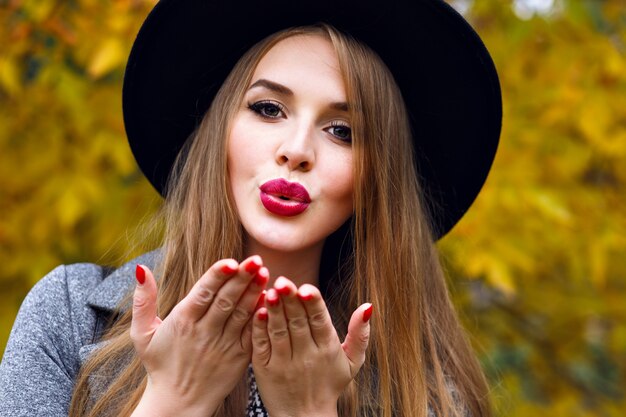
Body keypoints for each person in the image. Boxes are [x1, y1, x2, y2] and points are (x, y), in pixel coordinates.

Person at [0, 0, 502, 416]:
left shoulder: (429, 390)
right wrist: (172, 402)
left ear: (376, 178)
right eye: (268, 109)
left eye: (342, 131)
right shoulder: (68, 315)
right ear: (218, 129)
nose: (297, 148)